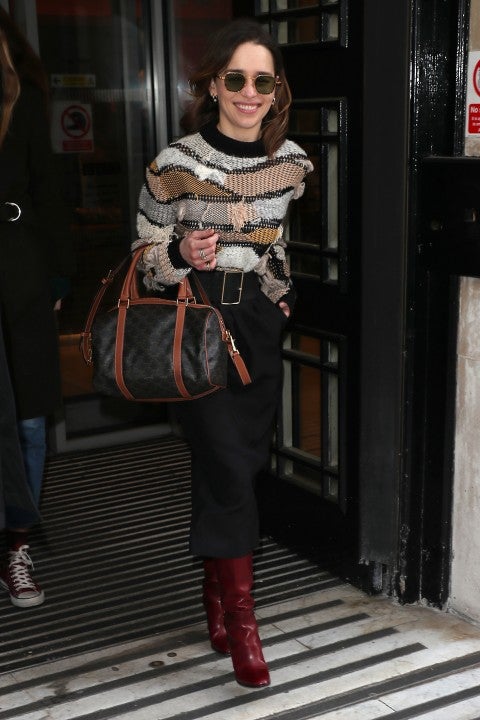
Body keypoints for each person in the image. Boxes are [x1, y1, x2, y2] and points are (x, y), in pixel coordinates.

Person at [133, 18, 313, 687]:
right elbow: (141, 254)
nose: (249, 92)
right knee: (230, 471)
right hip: (196, 324)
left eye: (263, 81)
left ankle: (214, 592)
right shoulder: (174, 164)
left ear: (276, 90)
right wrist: (180, 252)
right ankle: (242, 625)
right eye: (236, 78)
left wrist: (280, 299)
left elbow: (278, 245)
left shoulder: (290, 164)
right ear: (213, 85)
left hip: (256, 325)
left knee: (235, 467)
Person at [0, 9, 74, 607]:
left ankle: (16, 545)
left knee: (28, 420)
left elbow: (49, 190)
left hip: (19, 271)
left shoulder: (22, 102)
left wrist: (56, 276)